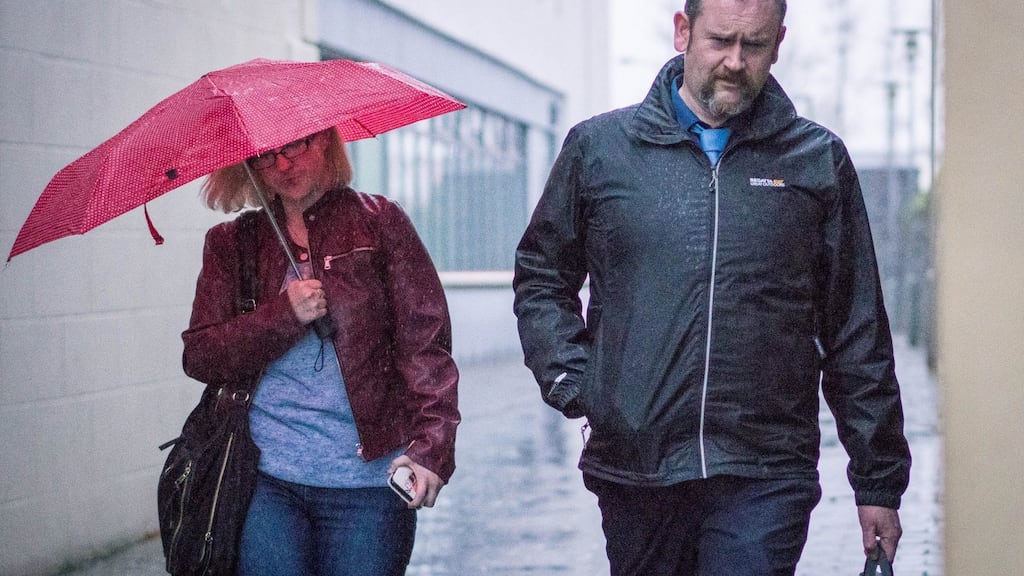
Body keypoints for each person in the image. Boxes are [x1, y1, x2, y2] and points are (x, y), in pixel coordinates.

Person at [513, 1, 911, 574]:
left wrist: (878, 479)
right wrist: (576, 379)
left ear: (779, 44)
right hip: (637, 466)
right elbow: (542, 274)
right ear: (682, 31)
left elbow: (856, 327)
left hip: (766, 469)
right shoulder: (600, 149)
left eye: (754, 45)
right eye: (720, 40)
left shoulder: (815, 161)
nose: (735, 61)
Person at [182, 126, 460, 576]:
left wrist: (433, 448)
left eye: (294, 144)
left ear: (326, 142)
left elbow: (425, 344)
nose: (283, 165)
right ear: (248, 168)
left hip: (369, 483)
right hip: (265, 480)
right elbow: (201, 355)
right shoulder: (232, 243)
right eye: (265, 156)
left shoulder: (380, 223)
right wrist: (283, 316)